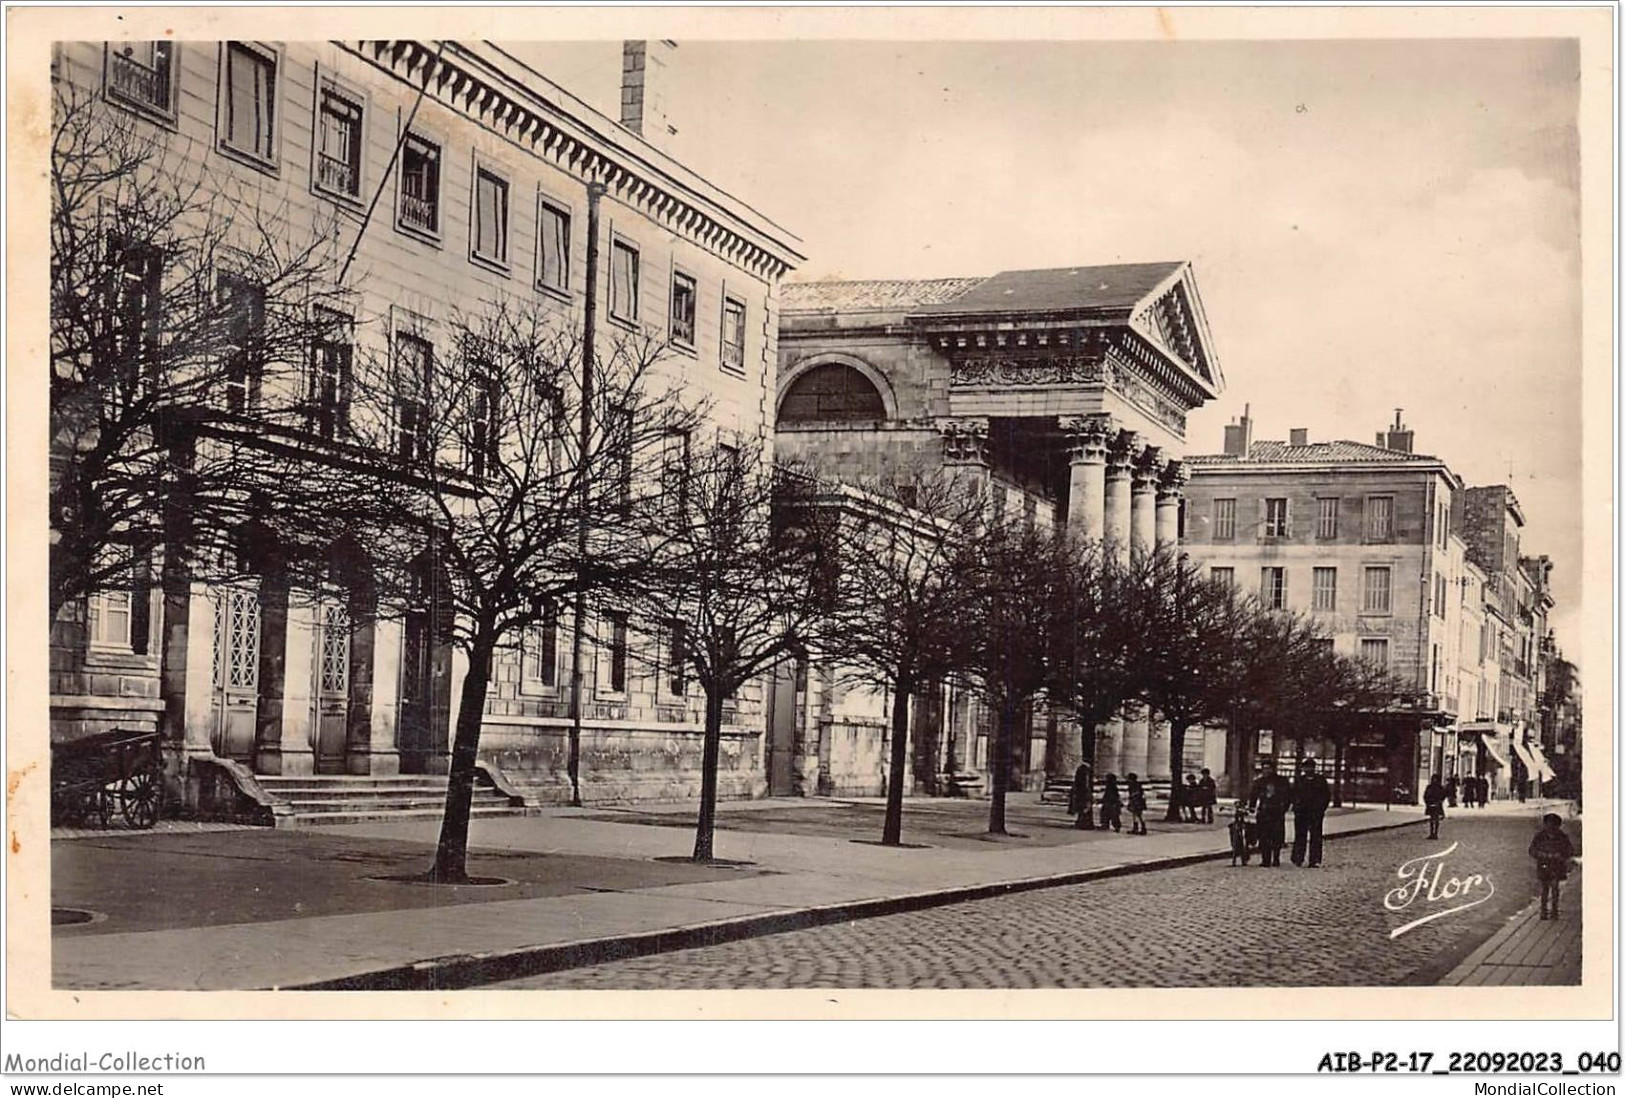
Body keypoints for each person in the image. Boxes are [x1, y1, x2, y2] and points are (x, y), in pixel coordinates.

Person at [1529, 812, 1575, 920]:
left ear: (1557, 826)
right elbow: (1532, 850)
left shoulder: (1562, 837)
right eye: (1548, 824)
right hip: (1544, 865)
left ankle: (1554, 910)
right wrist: (1542, 854)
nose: (1550, 827)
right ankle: (1544, 910)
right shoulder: (1540, 836)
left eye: (1553, 825)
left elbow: (1569, 850)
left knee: (1555, 887)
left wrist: (1560, 855)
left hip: (1556, 866)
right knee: (1544, 888)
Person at [1290, 758, 1333, 867]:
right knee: (1300, 835)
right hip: (1301, 812)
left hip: (1315, 813)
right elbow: (1293, 794)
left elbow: (1326, 796)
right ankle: (1298, 858)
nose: (1308, 769)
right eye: (1306, 767)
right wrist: (1296, 806)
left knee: (1316, 836)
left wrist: (1321, 808)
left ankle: (1314, 859)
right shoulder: (1299, 780)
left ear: (1314, 768)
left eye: (1310, 767)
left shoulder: (1320, 780)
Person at [1248, 760, 1291, 867]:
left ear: (1273, 769)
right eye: (1264, 768)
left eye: (1268, 768)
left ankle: (1276, 857)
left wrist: (1284, 807)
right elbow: (1254, 795)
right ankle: (1265, 859)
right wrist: (1252, 807)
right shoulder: (1259, 782)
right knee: (1263, 836)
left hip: (1277, 811)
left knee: (1277, 836)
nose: (1266, 770)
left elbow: (1288, 795)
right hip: (1264, 811)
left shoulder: (1281, 781)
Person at [1067, 761, 1093, 830]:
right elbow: (1086, 785)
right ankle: (1083, 823)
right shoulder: (1084, 773)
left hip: (1081, 793)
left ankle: (1082, 823)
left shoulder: (1082, 772)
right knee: (1083, 809)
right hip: (1082, 793)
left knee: (1083, 809)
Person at [1423, 773, 1447, 840]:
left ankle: (1435, 834)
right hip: (1430, 804)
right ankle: (1431, 833)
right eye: (1433, 779)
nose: (1434, 780)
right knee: (1431, 819)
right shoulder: (1429, 787)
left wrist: (1440, 802)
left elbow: (1443, 795)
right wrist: (1427, 802)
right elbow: (1425, 795)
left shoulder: (1440, 787)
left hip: (1437, 804)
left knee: (1436, 819)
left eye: (1436, 779)